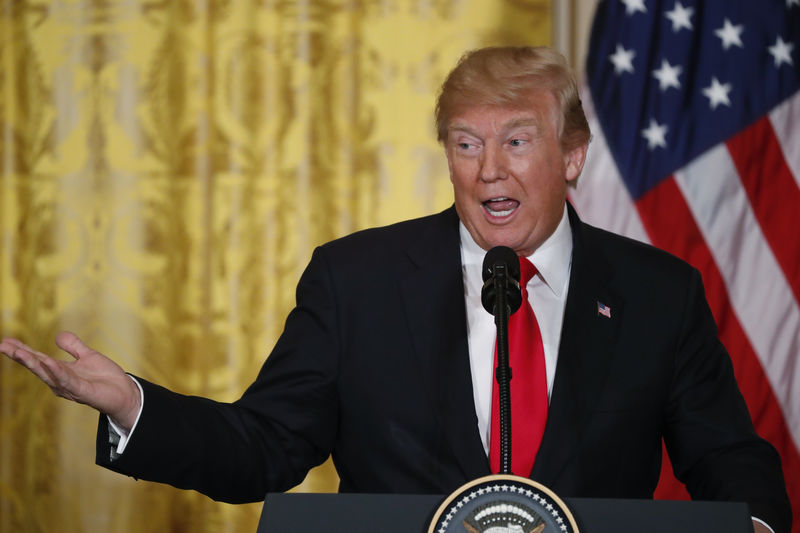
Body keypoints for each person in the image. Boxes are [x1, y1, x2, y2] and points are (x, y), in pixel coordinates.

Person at [1, 46, 791, 533]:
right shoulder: (357, 281)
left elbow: (726, 454)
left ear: (573, 156)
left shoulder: (658, 291)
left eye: (517, 141)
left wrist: (753, 522)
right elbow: (264, 448)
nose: (490, 170)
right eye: (467, 143)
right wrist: (134, 404)